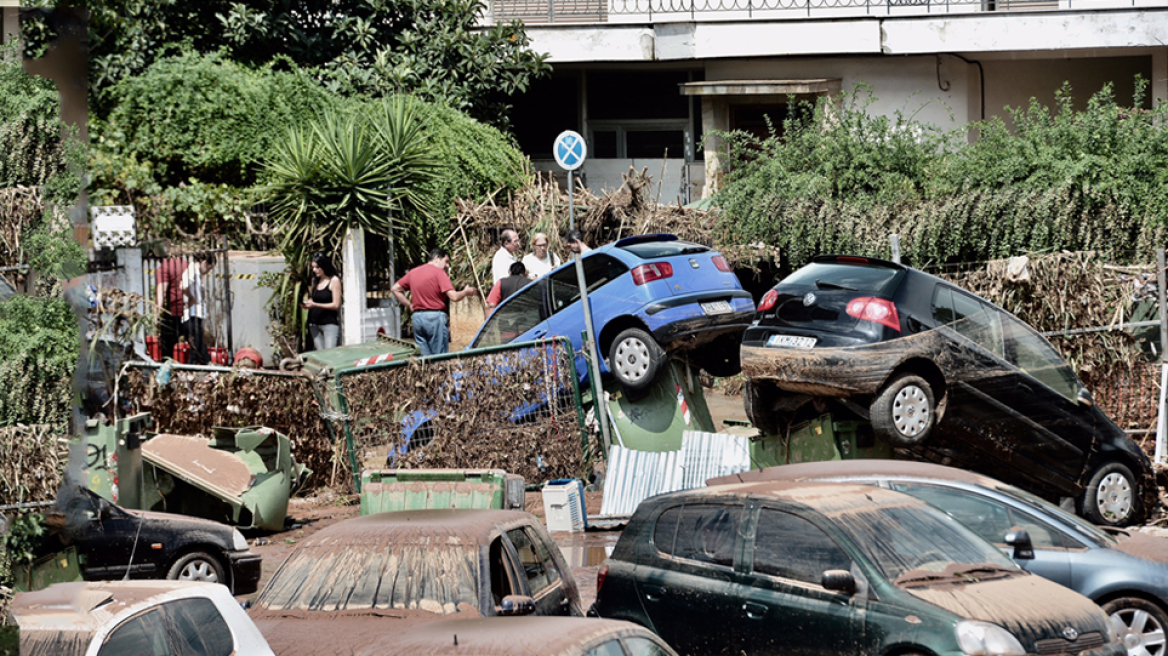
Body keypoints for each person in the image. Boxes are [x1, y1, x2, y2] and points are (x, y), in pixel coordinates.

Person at [391, 248, 478, 355]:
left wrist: (409, 305)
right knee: (439, 359)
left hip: (418, 318)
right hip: (435, 318)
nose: (447, 266)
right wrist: (465, 292)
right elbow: (454, 297)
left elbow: (395, 289)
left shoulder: (413, 272)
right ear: (437, 258)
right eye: (446, 261)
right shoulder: (439, 273)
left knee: (424, 360)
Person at [180, 251, 216, 365]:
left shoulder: (197, 273)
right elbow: (184, 286)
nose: (208, 272)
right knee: (196, 346)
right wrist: (191, 298)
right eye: (209, 268)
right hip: (192, 315)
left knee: (198, 345)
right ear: (204, 263)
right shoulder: (192, 271)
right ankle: (203, 364)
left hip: (196, 314)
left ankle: (206, 363)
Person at [302, 252, 342, 350]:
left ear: (324, 266)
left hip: (329, 324)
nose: (315, 270)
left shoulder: (334, 280)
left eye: (317, 267)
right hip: (314, 324)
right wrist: (308, 303)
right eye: (313, 267)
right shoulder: (315, 280)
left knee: (329, 353)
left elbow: (336, 305)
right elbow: (315, 298)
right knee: (320, 354)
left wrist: (315, 304)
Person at [155, 250, 188, 361]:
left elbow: (162, 293)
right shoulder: (185, 263)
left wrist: (156, 314)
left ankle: (167, 370)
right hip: (189, 310)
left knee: (167, 348)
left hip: (173, 312)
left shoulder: (164, 267)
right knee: (191, 345)